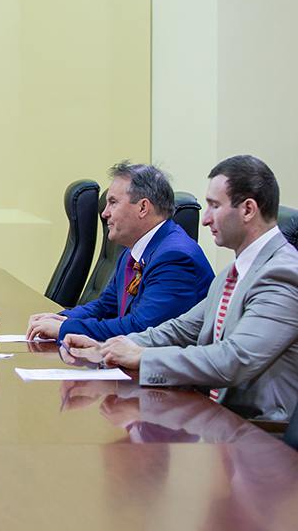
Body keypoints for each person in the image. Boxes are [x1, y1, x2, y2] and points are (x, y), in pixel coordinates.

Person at [65, 155, 298, 421]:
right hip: (215, 417)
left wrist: (142, 358)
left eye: (214, 206)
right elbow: (181, 329)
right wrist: (107, 349)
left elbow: (234, 359)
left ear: (247, 210)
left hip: (258, 430)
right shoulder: (235, 272)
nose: (205, 219)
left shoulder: (282, 273)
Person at [28, 162, 213, 342]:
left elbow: (140, 329)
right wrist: (63, 318)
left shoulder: (175, 258)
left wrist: (65, 329)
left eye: (113, 203)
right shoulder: (133, 251)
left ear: (143, 208)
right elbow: (106, 306)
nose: (104, 213)